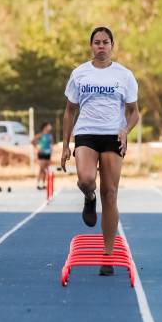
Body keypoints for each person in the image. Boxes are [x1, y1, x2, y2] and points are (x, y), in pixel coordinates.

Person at [61, 26, 139, 276]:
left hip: (112, 135)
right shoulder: (79, 73)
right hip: (86, 133)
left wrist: (126, 130)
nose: (101, 46)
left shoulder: (124, 75)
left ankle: (108, 255)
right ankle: (88, 196)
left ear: (112, 45)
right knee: (85, 179)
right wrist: (65, 145)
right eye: (97, 42)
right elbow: (69, 111)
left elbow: (134, 111)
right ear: (91, 46)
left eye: (106, 42)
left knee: (111, 193)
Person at [33, 122, 53, 190]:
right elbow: (33, 141)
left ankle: (44, 184)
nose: (50, 127)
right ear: (45, 127)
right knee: (41, 169)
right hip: (41, 154)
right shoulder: (41, 135)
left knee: (46, 170)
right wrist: (38, 148)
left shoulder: (50, 136)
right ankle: (38, 184)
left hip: (48, 154)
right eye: (48, 126)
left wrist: (51, 153)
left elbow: (51, 145)